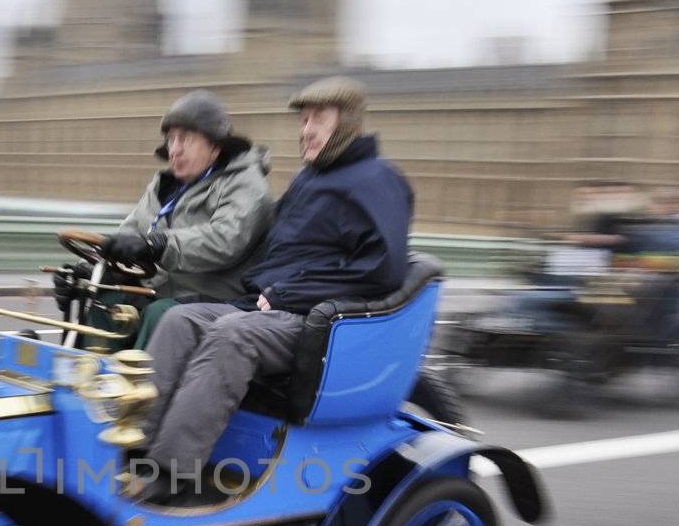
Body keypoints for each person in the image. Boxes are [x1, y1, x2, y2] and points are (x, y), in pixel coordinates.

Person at [133, 76, 414, 500]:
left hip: (320, 322)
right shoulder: (309, 180)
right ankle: (132, 446)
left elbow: (382, 270)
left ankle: (169, 472)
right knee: (180, 318)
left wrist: (290, 294)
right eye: (304, 120)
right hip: (268, 306)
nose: (306, 130)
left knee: (233, 335)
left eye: (318, 119)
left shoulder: (377, 180)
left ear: (348, 124)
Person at [54, 90, 273, 349]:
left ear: (215, 148)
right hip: (159, 290)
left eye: (186, 140)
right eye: (171, 140)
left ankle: (137, 385)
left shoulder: (246, 183)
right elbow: (129, 234)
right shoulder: (163, 187)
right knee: (104, 300)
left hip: (216, 298)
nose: (175, 150)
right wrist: (90, 269)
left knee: (161, 314)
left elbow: (224, 239)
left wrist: (158, 245)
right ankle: (87, 375)